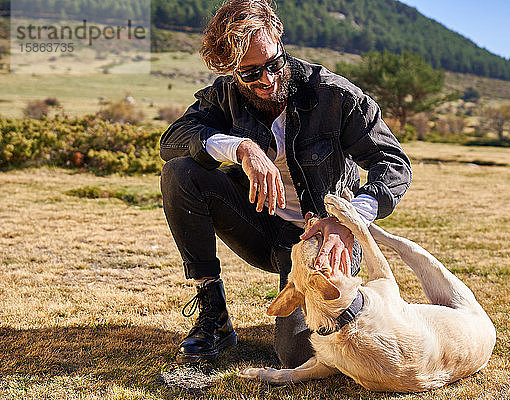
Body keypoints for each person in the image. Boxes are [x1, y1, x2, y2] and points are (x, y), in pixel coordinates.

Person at [159, 0, 412, 368]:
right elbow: (174, 139)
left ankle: (366, 306)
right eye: (249, 73)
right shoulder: (224, 96)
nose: (266, 79)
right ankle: (214, 315)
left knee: (298, 356)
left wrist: (349, 221)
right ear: (232, 71)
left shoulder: (335, 95)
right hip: (262, 229)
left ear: (278, 34)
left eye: (273, 63)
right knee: (180, 172)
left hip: (326, 239)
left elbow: (392, 163)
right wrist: (241, 147)